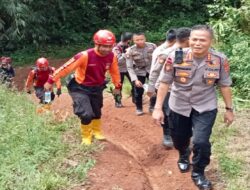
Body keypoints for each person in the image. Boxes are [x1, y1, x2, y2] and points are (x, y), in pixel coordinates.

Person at [152, 25, 234, 190]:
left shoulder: (219, 59)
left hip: (205, 106)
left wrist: (229, 109)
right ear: (189, 40)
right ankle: (183, 154)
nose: (197, 43)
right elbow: (165, 82)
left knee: (201, 142)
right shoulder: (176, 56)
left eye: (202, 40)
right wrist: (158, 108)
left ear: (211, 41)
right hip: (178, 105)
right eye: (194, 39)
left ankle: (198, 172)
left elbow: (224, 86)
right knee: (179, 139)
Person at [44, 29, 121, 145]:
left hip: (97, 87)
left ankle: (96, 131)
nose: (107, 49)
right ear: (97, 44)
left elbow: (115, 72)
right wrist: (51, 80)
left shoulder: (112, 56)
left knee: (97, 110)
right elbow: (67, 67)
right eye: (104, 46)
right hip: (80, 87)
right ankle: (86, 136)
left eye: (110, 46)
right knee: (86, 113)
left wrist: (117, 86)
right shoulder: (84, 55)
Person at [148, 27, 190, 148]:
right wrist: (151, 87)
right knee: (168, 112)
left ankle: (182, 135)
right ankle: (167, 134)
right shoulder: (168, 53)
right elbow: (155, 71)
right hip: (166, 88)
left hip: (182, 88)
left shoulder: (191, 52)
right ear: (187, 40)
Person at [126, 32, 157, 115]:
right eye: (137, 40)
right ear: (133, 40)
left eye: (141, 39)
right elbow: (129, 67)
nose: (139, 41)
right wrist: (135, 80)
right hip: (139, 71)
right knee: (138, 90)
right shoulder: (130, 50)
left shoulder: (152, 46)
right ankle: (139, 108)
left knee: (154, 89)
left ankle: (152, 106)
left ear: (145, 39)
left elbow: (158, 59)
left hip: (151, 70)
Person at [112, 32, 134, 107]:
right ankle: (117, 101)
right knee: (118, 86)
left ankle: (135, 98)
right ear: (128, 40)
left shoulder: (128, 46)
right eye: (131, 39)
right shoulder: (116, 48)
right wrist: (126, 54)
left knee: (135, 83)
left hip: (128, 68)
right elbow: (118, 61)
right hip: (118, 70)